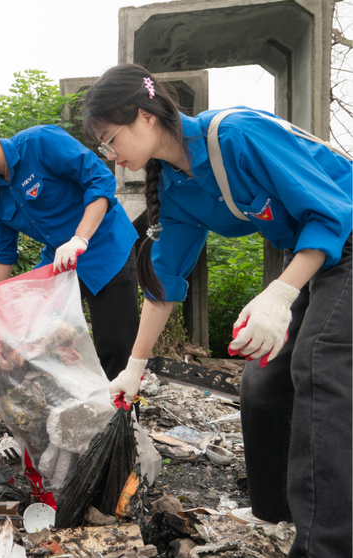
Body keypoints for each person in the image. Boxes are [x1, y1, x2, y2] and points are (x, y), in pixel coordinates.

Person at [83, 63, 351, 558]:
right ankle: (277, 517)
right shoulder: (180, 185)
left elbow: (330, 213)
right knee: (264, 379)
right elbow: (165, 283)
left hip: (340, 240)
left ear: (144, 117)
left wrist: (280, 294)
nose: (111, 155)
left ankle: (327, 546)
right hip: (312, 257)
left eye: (110, 139)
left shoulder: (236, 134)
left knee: (320, 363)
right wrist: (133, 369)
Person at [0, 114, 140, 379]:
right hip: (59, 262)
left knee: (115, 343)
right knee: (40, 337)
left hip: (105, 248)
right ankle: (75, 405)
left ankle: (123, 415)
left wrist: (79, 238)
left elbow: (99, 180)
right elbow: (3, 256)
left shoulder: (41, 143)